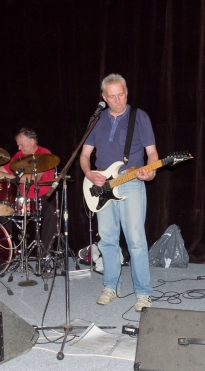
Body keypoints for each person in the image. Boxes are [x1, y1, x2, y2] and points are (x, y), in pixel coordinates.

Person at [80, 73, 158, 312]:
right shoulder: (97, 119)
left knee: (136, 240)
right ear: (103, 97)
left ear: (127, 92)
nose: (117, 100)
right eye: (112, 96)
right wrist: (89, 173)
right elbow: (84, 155)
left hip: (130, 182)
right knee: (107, 240)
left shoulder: (140, 117)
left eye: (121, 95)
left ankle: (143, 293)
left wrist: (151, 172)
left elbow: (152, 154)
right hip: (102, 185)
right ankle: (111, 286)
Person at [0, 128, 57, 254]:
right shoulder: (19, 156)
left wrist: (8, 176)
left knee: (52, 211)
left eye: (22, 144)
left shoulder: (44, 154)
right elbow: (4, 169)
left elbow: (34, 178)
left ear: (32, 141)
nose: (19, 148)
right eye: (18, 145)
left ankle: (45, 254)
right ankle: (7, 251)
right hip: (22, 198)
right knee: (0, 209)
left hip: (42, 197)